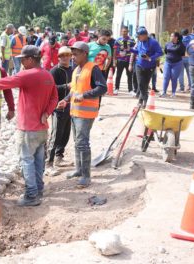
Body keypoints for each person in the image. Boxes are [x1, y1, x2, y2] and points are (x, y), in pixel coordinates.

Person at [0, 45, 58, 206]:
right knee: (38, 160)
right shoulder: (47, 75)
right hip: (42, 128)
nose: (21, 62)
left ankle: (31, 196)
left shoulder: (27, 75)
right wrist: (46, 113)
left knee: (26, 160)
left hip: (27, 129)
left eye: (23, 59)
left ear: (30, 59)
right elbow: (54, 98)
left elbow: (2, 83)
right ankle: (39, 189)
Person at [57, 42, 107, 188]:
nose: (73, 57)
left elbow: (102, 87)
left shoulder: (93, 68)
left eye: (76, 54)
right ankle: (79, 170)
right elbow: (74, 90)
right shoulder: (76, 70)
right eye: (72, 54)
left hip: (86, 113)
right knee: (78, 142)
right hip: (75, 111)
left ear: (85, 53)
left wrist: (84, 95)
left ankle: (86, 175)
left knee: (83, 143)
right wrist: (65, 100)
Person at [47, 46, 73, 167]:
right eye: (62, 55)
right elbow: (49, 88)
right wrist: (65, 86)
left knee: (66, 133)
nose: (65, 58)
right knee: (56, 134)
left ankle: (59, 157)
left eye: (67, 55)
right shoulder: (54, 71)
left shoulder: (73, 70)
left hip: (70, 106)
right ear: (58, 57)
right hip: (58, 107)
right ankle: (49, 162)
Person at [129, 27, 163, 106]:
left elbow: (160, 52)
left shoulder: (153, 42)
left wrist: (150, 58)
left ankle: (141, 101)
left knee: (145, 85)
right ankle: (145, 99)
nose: (137, 38)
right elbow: (138, 51)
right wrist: (129, 49)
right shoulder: (140, 42)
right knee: (140, 83)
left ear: (144, 35)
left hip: (150, 67)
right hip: (139, 65)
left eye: (139, 36)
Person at [160, 32, 185, 98]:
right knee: (166, 77)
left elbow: (182, 54)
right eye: (170, 36)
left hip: (177, 63)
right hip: (168, 63)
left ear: (176, 37)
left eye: (172, 36)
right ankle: (164, 92)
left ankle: (173, 93)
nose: (171, 37)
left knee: (174, 78)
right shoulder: (168, 44)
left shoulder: (181, 45)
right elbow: (166, 52)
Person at [113, 26, 136, 95]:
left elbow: (134, 50)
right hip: (120, 60)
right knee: (118, 75)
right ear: (121, 31)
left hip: (129, 60)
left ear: (128, 31)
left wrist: (130, 49)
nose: (124, 33)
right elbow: (114, 51)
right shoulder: (117, 40)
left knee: (129, 75)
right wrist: (114, 60)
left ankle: (130, 90)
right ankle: (116, 89)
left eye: (125, 31)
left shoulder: (132, 39)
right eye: (123, 31)